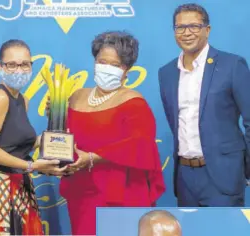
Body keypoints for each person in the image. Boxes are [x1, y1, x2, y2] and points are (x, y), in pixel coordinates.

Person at [47, 31, 165, 235]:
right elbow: (66, 137)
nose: (107, 68)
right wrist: (55, 114)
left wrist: (93, 157)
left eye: (115, 65)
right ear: (94, 61)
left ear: (127, 70)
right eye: (102, 61)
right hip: (81, 191)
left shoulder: (134, 102)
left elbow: (141, 145)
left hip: (119, 193)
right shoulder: (76, 96)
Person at [0, 39, 67, 235]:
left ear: (31, 66)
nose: (18, 70)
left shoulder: (23, 100)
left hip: (19, 187)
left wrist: (56, 118)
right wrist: (31, 166)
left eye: (24, 64)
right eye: (11, 64)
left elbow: (17, 146)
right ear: (0, 66)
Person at [158, 3, 250, 207]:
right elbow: (175, 122)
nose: (187, 33)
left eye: (194, 26)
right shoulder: (166, 73)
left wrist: (246, 169)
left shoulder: (232, 65)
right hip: (184, 178)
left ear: (207, 30)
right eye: (180, 27)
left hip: (223, 175)